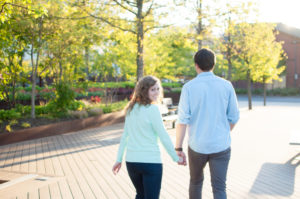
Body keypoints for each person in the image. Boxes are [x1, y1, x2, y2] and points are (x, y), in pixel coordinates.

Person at [175, 48, 240, 199]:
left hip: (197, 145)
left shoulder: (188, 88)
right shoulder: (226, 85)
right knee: (219, 188)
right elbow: (234, 117)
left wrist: (178, 148)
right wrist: (223, 131)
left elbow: (182, 121)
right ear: (214, 65)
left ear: (196, 65)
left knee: (196, 183)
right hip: (221, 145)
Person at [112, 75, 183, 199]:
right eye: (152, 89)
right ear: (144, 91)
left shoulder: (130, 108)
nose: (156, 92)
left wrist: (119, 159)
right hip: (150, 162)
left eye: (157, 89)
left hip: (132, 162)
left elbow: (125, 137)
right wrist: (175, 157)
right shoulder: (152, 109)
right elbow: (163, 136)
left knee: (140, 195)